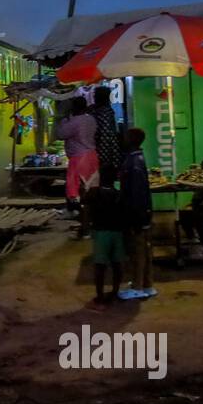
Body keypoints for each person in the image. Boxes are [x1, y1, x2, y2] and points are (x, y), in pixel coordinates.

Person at [117, 127, 155, 300]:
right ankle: (147, 284)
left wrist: (134, 217)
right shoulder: (138, 158)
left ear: (131, 140)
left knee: (137, 250)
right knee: (145, 249)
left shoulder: (133, 163)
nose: (122, 139)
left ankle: (137, 286)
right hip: (143, 211)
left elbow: (135, 193)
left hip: (136, 213)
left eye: (125, 137)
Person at [54, 96, 98, 218]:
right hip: (92, 154)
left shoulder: (74, 121)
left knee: (73, 186)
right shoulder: (91, 119)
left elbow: (60, 134)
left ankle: (75, 210)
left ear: (74, 107)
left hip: (79, 157)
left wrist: (63, 119)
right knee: (89, 184)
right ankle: (89, 211)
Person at [83, 184, 126, 308]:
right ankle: (115, 293)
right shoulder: (118, 193)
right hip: (117, 232)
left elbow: (86, 207)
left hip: (101, 232)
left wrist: (86, 227)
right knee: (117, 265)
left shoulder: (94, 192)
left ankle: (100, 298)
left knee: (100, 266)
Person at [89, 85, 122, 187]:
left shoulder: (100, 111)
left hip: (101, 154)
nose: (93, 97)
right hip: (108, 153)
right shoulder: (107, 111)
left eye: (95, 95)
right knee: (105, 182)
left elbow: (104, 134)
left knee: (102, 182)